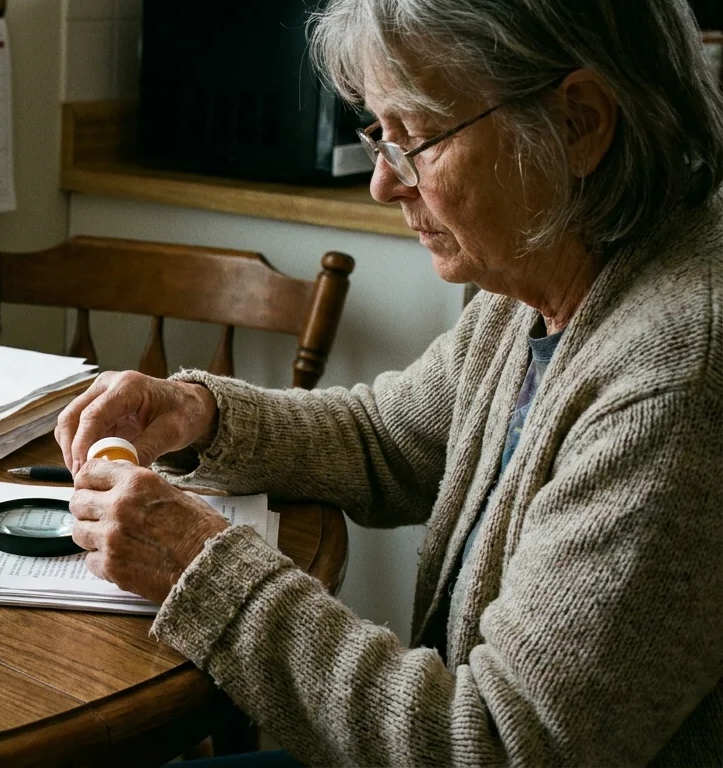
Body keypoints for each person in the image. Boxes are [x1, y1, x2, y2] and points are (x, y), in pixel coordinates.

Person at [57, 1, 723, 765]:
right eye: (381, 134)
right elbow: (388, 437)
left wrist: (200, 567)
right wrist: (198, 413)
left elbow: (498, 747)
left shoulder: (677, 380)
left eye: (416, 140)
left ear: (578, 123)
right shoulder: (549, 274)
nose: (383, 183)